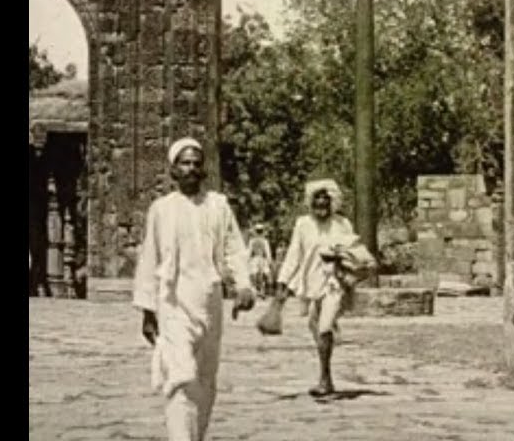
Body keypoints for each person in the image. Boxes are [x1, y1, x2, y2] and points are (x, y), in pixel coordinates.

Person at [133, 138, 256, 441]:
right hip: (173, 302)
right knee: (181, 376)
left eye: (196, 163)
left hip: (208, 299)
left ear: (203, 170)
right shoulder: (161, 209)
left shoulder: (218, 205)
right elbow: (150, 258)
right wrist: (148, 311)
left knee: (205, 378)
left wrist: (243, 285)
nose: (190, 169)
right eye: (184, 163)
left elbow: (233, 248)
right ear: (173, 170)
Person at [274, 179, 376, 397]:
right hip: (312, 285)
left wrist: (342, 258)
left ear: (332, 202)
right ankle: (325, 371)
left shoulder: (342, 224)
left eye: (325, 199)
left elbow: (355, 251)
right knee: (316, 327)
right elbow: (294, 255)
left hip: (334, 284)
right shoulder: (303, 225)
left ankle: (324, 378)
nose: (321, 203)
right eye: (317, 199)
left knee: (324, 326)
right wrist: (283, 283)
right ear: (310, 202)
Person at [28, 124, 53, 297]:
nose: (40, 140)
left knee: (37, 246)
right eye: (38, 136)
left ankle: (36, 283)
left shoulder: (47, 157)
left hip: (38, 210)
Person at [248, 224, 273, 297]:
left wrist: (248, 260)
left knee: (258, 274)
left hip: (257, 259)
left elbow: (249, 252)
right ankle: (259, 291)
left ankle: (260, 291)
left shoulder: (253, 241)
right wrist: (269, 260)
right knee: (259, 274)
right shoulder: (263, 241)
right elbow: (268, 252)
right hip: (260, 259)